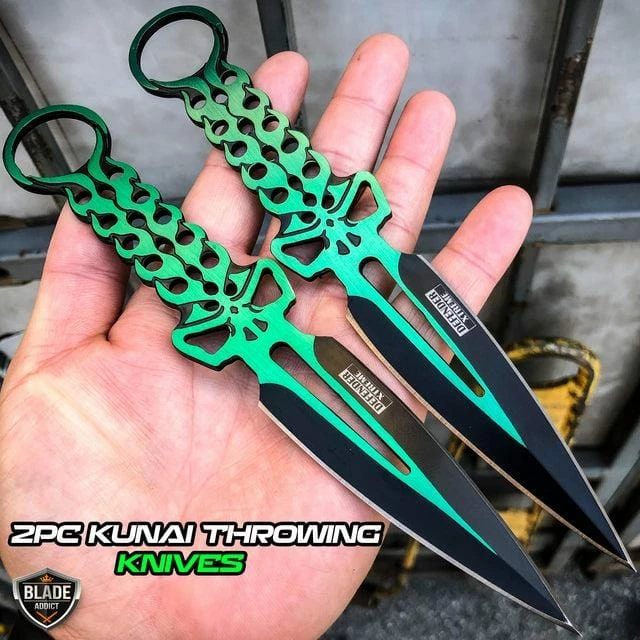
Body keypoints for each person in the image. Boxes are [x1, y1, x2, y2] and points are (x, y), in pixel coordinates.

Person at [0, 35, 533, 639]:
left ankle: (180, 115)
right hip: (244, 308)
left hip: (290, 260)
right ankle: (123, 163)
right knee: (152, 226)